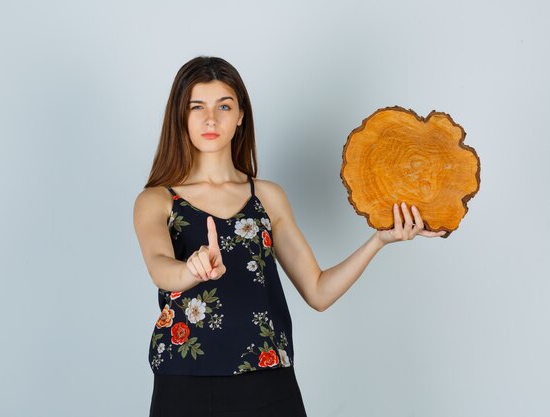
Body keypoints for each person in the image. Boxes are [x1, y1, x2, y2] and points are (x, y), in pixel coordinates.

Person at [133, 56, 446, 417]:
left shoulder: (268, 197)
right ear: (181, 117)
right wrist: (194, 269)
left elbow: (318, 290)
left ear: (241, 115)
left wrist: (379, 240)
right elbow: (160, 268)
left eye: (224, 105)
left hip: (268, 381)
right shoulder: (156, 199)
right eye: (197, 106)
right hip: (184, 382)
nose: (211, 119)